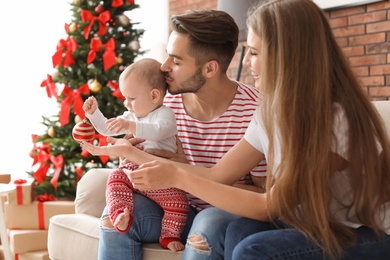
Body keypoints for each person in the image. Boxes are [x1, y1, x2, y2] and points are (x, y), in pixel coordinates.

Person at [81, 0, 390, 259]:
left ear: (288, 56)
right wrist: (131, 151)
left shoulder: (335, 119)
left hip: (363, 232)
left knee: (249, 248)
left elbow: (268, 203)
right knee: (236, 231)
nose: (249, 63)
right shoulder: (271, 111)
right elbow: (218, 175)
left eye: (254, 53)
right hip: (309, 223)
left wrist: (177, 174)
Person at [82, 9, 267, 260]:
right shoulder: (163, 103)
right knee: (114, 215)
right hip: (168, 205)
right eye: (168, 56)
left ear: (210, 68)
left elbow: (264, 196)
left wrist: (183, 171)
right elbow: (129, 138)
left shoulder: (254, 112)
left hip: (220, 213)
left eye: (176, 60)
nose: (163, 66)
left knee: (207, 226)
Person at [82, 58, 189, 252]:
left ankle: (169, 234)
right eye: (125, 98)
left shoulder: (165, 115)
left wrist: (130, 126)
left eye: (131, 98)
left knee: (179, 203)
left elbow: (159, 131)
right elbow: (107, 128)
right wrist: (94, 114)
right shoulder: (130, 116)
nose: (127, 104)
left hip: (160, 178)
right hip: (132, 171)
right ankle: (121, 214)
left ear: (154, 96)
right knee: (115, 177)